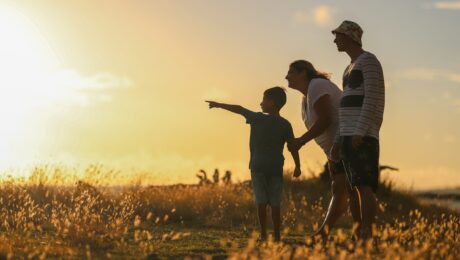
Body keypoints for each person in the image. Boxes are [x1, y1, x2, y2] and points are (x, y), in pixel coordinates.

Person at [206, 87, 301, 242]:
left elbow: (239, 109)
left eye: (264, 100)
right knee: (275, 204)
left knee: (261, 202)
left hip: (258, 167)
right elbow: (292, 147)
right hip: (276, 168)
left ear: (273, 102)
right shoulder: (285, 124)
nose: (261, 103)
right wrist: (298, 166)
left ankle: (263, 235)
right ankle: (277, 237)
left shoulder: (258, 118)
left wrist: (219, 105)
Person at [285, 60, 360, 240]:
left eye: (291, 72)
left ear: (303, 73)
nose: (286, 76)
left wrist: (301, 141)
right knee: (343, 188)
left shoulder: (317, 86)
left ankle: (339, 234)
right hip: (336, 147)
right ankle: (358, 234)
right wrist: (330, 155)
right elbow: (326, 126)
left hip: (347, 140)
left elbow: (326, 119)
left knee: (348, 188)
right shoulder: (307, 96)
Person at [330, 20, 385, 240]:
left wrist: (361, 131)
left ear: (350, 37)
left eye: (338, 36)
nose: (335, 40)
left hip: (361, 135)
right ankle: (357, 232)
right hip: (347, 135)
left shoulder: (369, 61)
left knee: (364, 186)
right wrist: (337, 140)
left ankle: (367, 235)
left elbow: (373, 98)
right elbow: (345, 107)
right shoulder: (348, 68)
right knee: (352, 188)